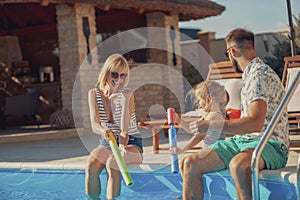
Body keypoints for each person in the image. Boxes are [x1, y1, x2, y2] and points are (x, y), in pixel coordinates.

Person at [181, 28, 289, 200]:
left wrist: (211, 125)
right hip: (244, 141)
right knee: (189, 164)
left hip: (271, 144)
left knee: (239, 165)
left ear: (232, 51)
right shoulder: (249, 74)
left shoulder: (258, 74)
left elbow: (255, 123)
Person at [85, 54, 143, 199]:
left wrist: (121, 148)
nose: (118, 79)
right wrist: (103, 130)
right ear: (106, 72)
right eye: (115, 74)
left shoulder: (126, 95)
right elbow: (94, 125)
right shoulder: (94, 94)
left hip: (130, 142)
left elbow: (124, 130)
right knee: (91, 164)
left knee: (112, 162)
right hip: (107, 141)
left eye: (123, 76)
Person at [170, 80, 229, 155]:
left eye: (199, 100)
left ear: (208, 99)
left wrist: (182, 149)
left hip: (216, 153)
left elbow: (199, 136)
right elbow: (193, 130)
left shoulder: (215, 116)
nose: (199, 105)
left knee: (188, 164)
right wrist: (178, 119)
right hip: (210, 152)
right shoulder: (208, 115)